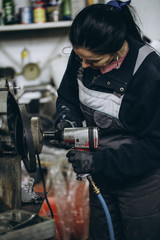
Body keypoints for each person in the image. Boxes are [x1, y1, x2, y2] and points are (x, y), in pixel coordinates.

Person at [54, 1, 160, 239]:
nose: (83, 65)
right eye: (80, 58)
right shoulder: (85, 53)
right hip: (100, 173)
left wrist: (97, 162)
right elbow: (67, 97)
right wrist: (66, 119)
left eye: (93, 62)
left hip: (140, 180)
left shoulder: (149, 71)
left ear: (116, 51)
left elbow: (155, 146)